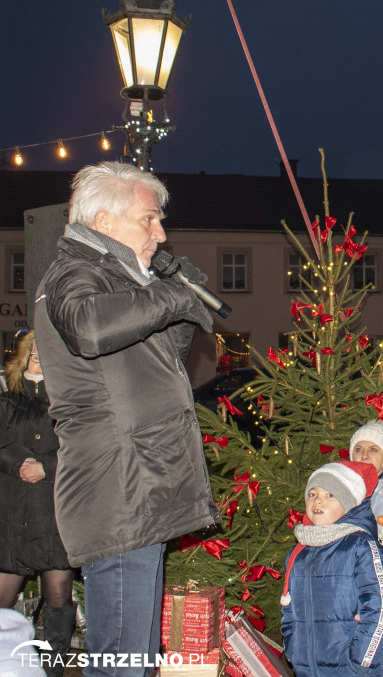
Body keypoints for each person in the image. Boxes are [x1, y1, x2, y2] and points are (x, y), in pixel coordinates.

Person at [33, 161, 216, 676]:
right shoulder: (75, 272)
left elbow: (154, 370)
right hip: (118, 489)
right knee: (121, 660)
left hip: (142, 485)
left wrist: (179, 314)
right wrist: (165, 296)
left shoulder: (119, 280)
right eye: (149, 220)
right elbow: (89, 330)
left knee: (135, 656)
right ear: (104, 221)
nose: (161, 234)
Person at [0, 331, 75, 677]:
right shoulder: (7, 399)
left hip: (53, 512)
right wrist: (20, 464)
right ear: (23, 357)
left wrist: (46, 466)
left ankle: (54, 671)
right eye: (34, 353)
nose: (39, 358)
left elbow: (79, 446)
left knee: (59, 596)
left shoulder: (68, 401)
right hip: (12, 512)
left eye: (47, 354)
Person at [280, 460, 383, 677]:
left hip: (357, 670)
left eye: (330, 495)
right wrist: (293, 650)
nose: (318, 500)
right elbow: (289, 609)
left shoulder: (361, 547)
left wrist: (360, 663)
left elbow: (382, 609)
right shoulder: (298, 554)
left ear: (347, 504)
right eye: (313, 494)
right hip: (309, 669)